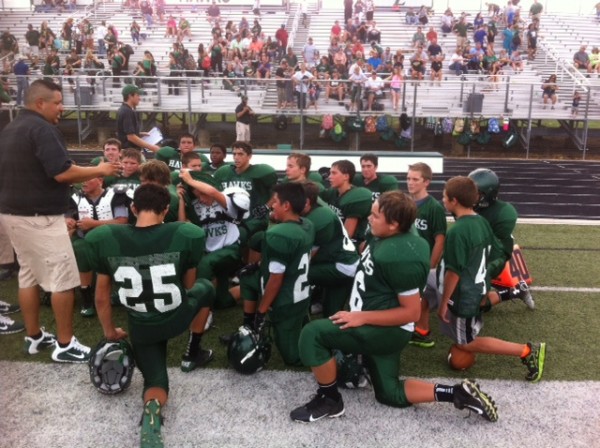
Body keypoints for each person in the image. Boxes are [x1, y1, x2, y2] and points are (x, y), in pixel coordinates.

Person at [290, 191, 498, 423]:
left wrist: (362, 317)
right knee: (390, 394)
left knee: (312, 334)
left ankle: (329, 400)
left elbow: (411, 312)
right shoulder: (388, 233)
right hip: (378, 321)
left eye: (376, 215)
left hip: (385, 330)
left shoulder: (401, 255)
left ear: (394, 224)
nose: (369, 218)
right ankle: (458, 393)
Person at [0, 79, 121, 362]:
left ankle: (34, 337)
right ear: (40, 103)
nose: (62, 108)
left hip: (13, 214)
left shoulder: (11, 127)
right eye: (57, 102)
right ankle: (65, 345)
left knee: (28, 276)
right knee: (64, 280)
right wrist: (100, 168)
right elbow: (62, 172)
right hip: (38, 217)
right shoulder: (41, 128)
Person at [86, 183, 215, 447]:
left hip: (141, 326)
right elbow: (190, 285)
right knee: (206, 288)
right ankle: (194, 346)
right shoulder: (186, 232)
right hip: (178, 316)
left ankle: (152, 413)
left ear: (133, 208)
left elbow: (100, 296)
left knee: (156, 382)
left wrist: (110, 332)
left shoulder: (105, 237)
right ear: (166, 209)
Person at [438, 176, 546, 383]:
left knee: (467, 344)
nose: (442, 200)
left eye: (444, 196)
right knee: (462, 345)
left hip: (465, 295)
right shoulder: (481, 222)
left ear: (454, 201)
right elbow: (493, 252)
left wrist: (444, 303)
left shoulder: (458, 232)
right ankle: (513, 293)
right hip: (477, 287)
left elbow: (454, 273)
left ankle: (526, 351)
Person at [238, 182, 315, 365]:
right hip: (301, 292)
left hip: (287, 301)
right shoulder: (307, 224)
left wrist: (261, 311)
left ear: (286, 205)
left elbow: (276, 279)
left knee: (293, 358)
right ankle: (248, 325)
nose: (272, 205)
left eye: (275, 202)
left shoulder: (279, 235)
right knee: (248, 278)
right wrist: (258, 264)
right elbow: (291, 258)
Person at [468, 168, 534, 310]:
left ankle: (513, 292)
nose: (469, 195)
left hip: (495, 253)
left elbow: (493, 248)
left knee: (472, 304)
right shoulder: (465, 205)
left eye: (475, 192)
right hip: (474, 248)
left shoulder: (504, 212)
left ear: (487, 195)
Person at [178, 170, 243, 310]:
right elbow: (181, 225)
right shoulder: (195, 205)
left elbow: (213, 192)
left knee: (204, 264)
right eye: (196, 194)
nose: (201, 198)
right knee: (222, 302)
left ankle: (203, 311)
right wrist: (181, 200)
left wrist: (189, 180)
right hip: (211, 252)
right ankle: (251, 284)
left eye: (202, 193)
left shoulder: (224, 200)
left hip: (230, 249)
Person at [405, 163, 446, 348]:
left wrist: (431, 265)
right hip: (407, 259)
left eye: (415, 179)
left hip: (422, 262)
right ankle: (417, 327)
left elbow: (440, 239)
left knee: (421, 296)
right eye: (408, 178)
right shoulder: (406, 203)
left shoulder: (433, 207)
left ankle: (422, 330)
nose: (410, 183)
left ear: (426, 182)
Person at [320, 160, 372, 243]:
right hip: (335, 237)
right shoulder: (332, 192)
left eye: (334, 173)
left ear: (346, 176)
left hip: (351, 244)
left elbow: (347, 234)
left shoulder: (355, 197)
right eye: (330, 173)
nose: (329, 177)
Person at [117, 84, 160, 153]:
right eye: (137, 95)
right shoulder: (127, 111)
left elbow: (125, 132)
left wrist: (139, 133)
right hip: (130, 152)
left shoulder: (124, 109)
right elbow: (131, 137)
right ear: (130, 96)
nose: (139, 98)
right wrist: (152, 147)